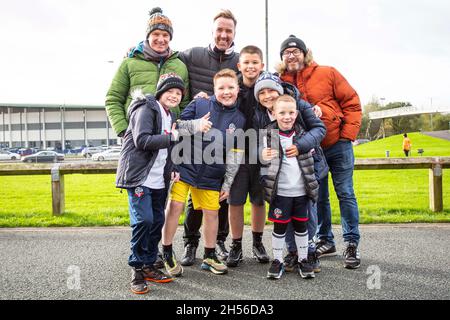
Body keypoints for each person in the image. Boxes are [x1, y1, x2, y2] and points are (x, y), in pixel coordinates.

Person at [277, 35, 362, 269]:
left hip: (337, 144)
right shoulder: (282, 80)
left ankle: (351, 243)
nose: (291, 55)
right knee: (319, 197)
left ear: (305, 53)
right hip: (313, 150)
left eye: (296, 51)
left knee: (345, 193)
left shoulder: (327, 72)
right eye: (287, 52)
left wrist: (347, 135)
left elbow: (352, 102)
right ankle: (326, 240)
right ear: (282, 57)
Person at [161, 69, 246, 276]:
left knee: (212, 213)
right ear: (214, 90)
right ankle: (167, 252)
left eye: (231, 87)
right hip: (185, 167)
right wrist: (196, 125)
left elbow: (235, 154)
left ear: (237, 89)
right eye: (221, 88)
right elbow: (176, 127)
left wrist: (227, 183)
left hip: (212, 173)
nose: (226, 92)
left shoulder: (240, 119)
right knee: (175, 207)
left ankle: (209, 255)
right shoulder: (200, 104)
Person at [177, 9, 240, 266]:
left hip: (227, 134)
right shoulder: (193, 54)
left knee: (220, 193)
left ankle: (218, 242)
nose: (224, 35)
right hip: (196, 134)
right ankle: (190, 243)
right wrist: (135, 50)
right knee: (194, 197)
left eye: (229, 31)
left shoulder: (239, 59)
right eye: (220, 30)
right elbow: (164, 56)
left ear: (234, 33)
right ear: (212, 31)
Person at [115, 73, 186, 295]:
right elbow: (142, 140)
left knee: (156, 220)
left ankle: (148, 264)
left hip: (158, 179)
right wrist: (173, 136)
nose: (174, 96)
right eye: (170, 91)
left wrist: (173, 166)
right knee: (143, 220)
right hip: (139, 176)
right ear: (160, 92)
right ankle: (136, 268)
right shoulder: (146, 107)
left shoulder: (170, 113)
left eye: (178, 93)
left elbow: (168, 145)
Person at [252, 72, 325, 273]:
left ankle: (309, 253)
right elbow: (256, 143)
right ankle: (293, 253)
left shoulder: (298, 105)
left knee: (307, 214)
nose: (268, 96)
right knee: (285, 215)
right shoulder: (259, 115)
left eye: (272, 90)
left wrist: (300, 145)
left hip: (307, 165)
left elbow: (319, 129)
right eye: (262, 92)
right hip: (280, 178)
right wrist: (261, 153)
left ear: (281, 89)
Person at [106, 7, 189, 139]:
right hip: (136, 136)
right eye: (156, 34)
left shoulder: (180, 66)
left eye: (165, 35)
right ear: (148, 35)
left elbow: (185, 104)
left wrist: (178, 130)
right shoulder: (129, 63)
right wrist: (123, 130)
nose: (161, 39)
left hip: (168, 138)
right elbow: (113, 99)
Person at [226, 45, 270, 267]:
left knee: (258, 200)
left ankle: (258, 242)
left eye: (255, 63)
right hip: (236, 153)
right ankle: (236, 245)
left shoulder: (269, 88)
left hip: (261, 152)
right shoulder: (232, 88)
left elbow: (289, 97)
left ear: (262, 66)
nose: (251, 66)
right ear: (239, 65)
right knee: (235, 200)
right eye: (247, 63)